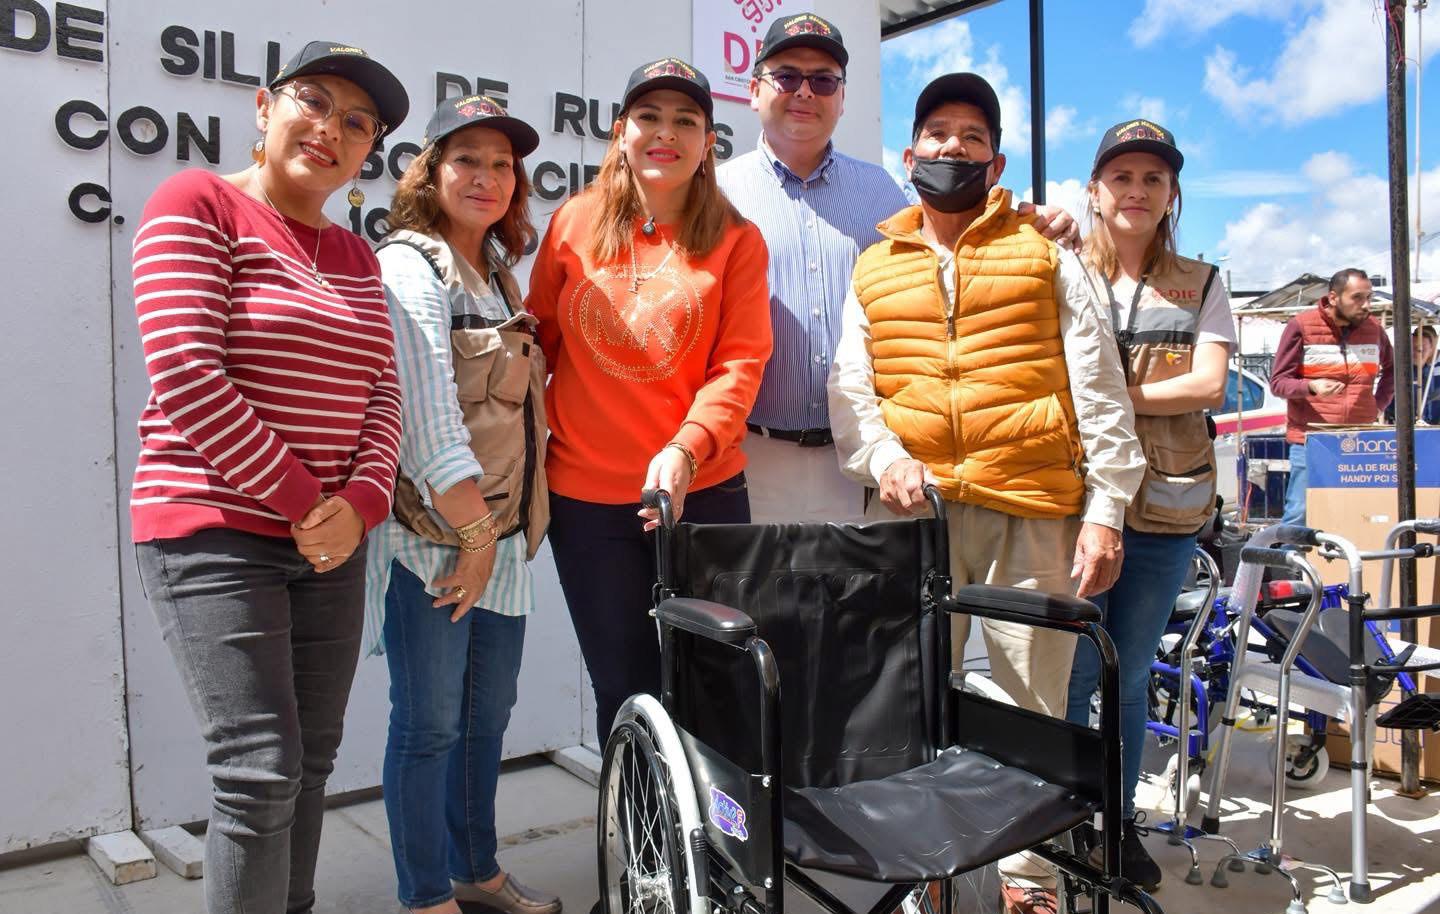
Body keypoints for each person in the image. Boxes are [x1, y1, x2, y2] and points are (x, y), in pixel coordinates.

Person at [827, 72, 1144, 914]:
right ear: (910, 156)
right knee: (907, 700)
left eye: (973, 137)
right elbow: (851, 388)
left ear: (997, 162)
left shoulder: (1046, 251)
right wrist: (882, 459)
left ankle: (1028, 881)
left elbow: (1099, 386)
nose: (955, 148)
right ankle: (924, 869)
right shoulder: (875, 265)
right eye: (939, 133)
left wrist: (1106, 510)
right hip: (915, 515)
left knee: (1034, 705)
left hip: (1031, 510)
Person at [129, 42, 408, 914]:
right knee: (257, 772)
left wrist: (361, 504)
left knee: (310, 762)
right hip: (213, 530)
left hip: (330, 545)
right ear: (264, 106)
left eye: (357, 122)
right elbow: (186, 372)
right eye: (313, 101)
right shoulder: (196, 202)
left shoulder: (357, 255)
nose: (331, 129)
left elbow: (384, 390)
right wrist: (308, 504)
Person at [719, 11, 1080, 523]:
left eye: (823, 80)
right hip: (755, 457)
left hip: (865, 467)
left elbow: (951, 235)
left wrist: (1030, 216)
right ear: (755, 90)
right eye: (787, 76)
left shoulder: (882, 191)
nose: (804, 92)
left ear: (842, 98)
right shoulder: (716, 195)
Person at [525, 58, 772, 740]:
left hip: (705, 496)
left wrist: (687, 449)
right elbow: (538, 345)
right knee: (626, 690)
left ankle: (713, 815)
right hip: (587, 505)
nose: (666, 133)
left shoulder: (738, 240)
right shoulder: (572, 223)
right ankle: (636, 814)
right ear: (621, 131)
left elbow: (739, 364)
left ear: (707, 142)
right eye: (649, 117)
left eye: (685, 121)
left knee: (716, 685)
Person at [368, 96, 560, 914]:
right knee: (429, 724)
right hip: (435, 540)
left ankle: (473, 870)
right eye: (467, 160)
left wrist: (499, 535)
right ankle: (424, 896)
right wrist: (472, 535)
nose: (486, 177)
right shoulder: (410, 266)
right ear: (430, 172)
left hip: (501, 538)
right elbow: (424, 409)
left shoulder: (500, 274)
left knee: (486, 720)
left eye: (502, 165)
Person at [1061, 119, 1234, 891]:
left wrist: (1110, 394)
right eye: (1122, 177)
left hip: (1165, 510)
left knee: (1129, 676)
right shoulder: (1063, 269)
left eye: (1153, 179)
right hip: (1074, 508)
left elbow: (1209, 384)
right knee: (1070, 677)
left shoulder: (1202, 281)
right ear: (1095, 191)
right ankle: (1066, 818)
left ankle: (1118, 824)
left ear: (1172, 195)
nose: (1137, 191)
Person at [1270, 268, 1395, 526]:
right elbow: (1278, 383)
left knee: (1359, 516)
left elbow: (1394, 371)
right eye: (1357, 298)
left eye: (1369, 297)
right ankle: (1293, 554)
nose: (1366, 305)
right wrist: (1311, 386)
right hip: (1312, 439)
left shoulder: (1374, 329)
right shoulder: (1301, 326)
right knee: (1300, 514)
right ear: (1333, 298)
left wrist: (1377, 405)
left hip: (1360, 440)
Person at [1385, 324, 1440, 425]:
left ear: (1433, 347)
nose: (1415, 353)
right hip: (1409, 425)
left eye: (1420, 349)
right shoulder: (1404, 370)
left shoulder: (1430, 369)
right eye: (1412, 349)